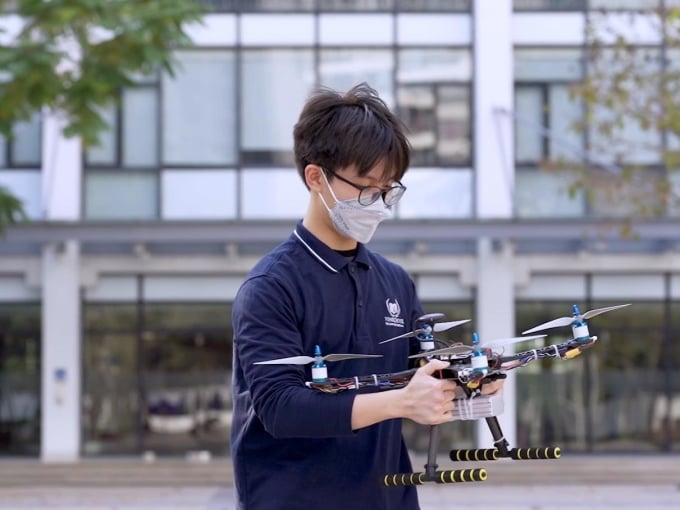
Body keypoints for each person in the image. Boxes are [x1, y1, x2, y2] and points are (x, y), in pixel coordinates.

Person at [230, 83, 503, 510]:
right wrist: (400, 401)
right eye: (365, 187)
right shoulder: (271, 286)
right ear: (315, 177)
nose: (377, 202)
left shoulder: (394, 282)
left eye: (388, 189)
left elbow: (424, 372)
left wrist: (471, 380)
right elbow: (280, 408)